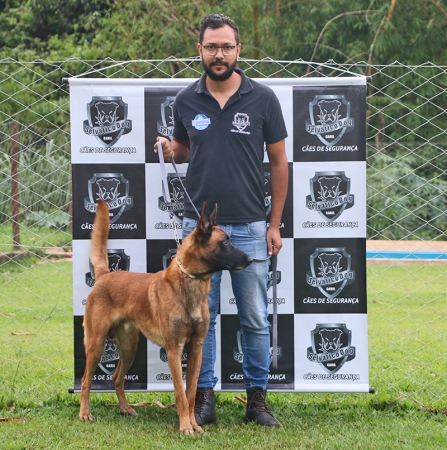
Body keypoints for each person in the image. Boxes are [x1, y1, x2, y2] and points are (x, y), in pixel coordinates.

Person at [155, 13, 288, 428]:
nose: (219, 54)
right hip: (199, 235)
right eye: (211, 46)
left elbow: (279, 163)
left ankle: (257, 401)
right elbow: (185, 149)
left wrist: (274, 224)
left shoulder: (263, 98)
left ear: (238, 50)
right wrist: (171, 149)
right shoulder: (185, 99)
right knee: (201, 321)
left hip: (249, 227)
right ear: (199, 49)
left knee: (255, 318)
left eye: (226, 47)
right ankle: (203, 398)